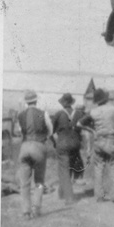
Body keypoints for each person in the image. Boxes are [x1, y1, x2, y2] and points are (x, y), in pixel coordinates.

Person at [78, 88, 114, 203]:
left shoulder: (93, 112)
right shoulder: (112, 109)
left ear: (96, 100)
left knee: (98, 168)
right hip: (111, 140)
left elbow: (79, 124)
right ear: (106, 98)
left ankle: (99, 196)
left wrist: (92, 131)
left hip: (98, 141)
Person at [17, 90, 53, 219]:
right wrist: (44, 138)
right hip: (39, 146)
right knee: (39, 180)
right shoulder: (43, 114)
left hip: (24, 147)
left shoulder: (21, 115)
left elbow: (20, 132)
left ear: (26, 103)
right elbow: (50, 130)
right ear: (36, 101)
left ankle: (26, 212)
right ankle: (36, 209)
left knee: (24, 182)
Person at [52, 93, 83, 205]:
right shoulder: (79, 114)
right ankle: (62, 192)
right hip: (75, 144)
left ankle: (69, 197)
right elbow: (80, 129)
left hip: (63, 144)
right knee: (68, 167)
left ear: (63, 103)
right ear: (71, 102)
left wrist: (55, 143)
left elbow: (51, 131)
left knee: (64, 169)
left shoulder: (59, 114)